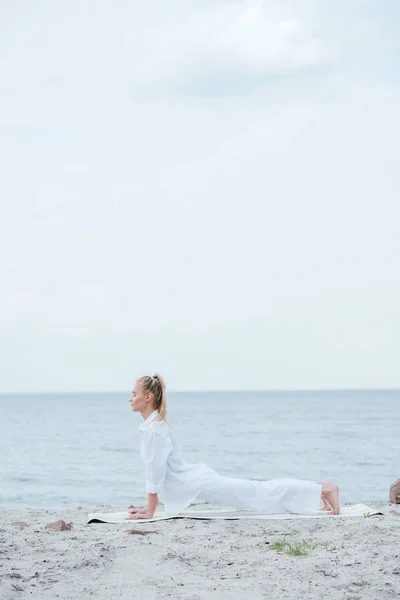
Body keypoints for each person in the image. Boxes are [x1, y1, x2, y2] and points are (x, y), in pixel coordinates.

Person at [125, 373, 340, 520]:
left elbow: (155, 473)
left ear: (148, 397)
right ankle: (318, 492)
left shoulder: (154, 429)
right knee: (260, 495)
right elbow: (156, 472)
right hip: (197, 483)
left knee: (260, 494)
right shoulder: (152, 427)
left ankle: (324, 488)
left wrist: (150, 511)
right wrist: (149, 508)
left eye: (134, 394)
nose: (130, 399)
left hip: (200, 484)